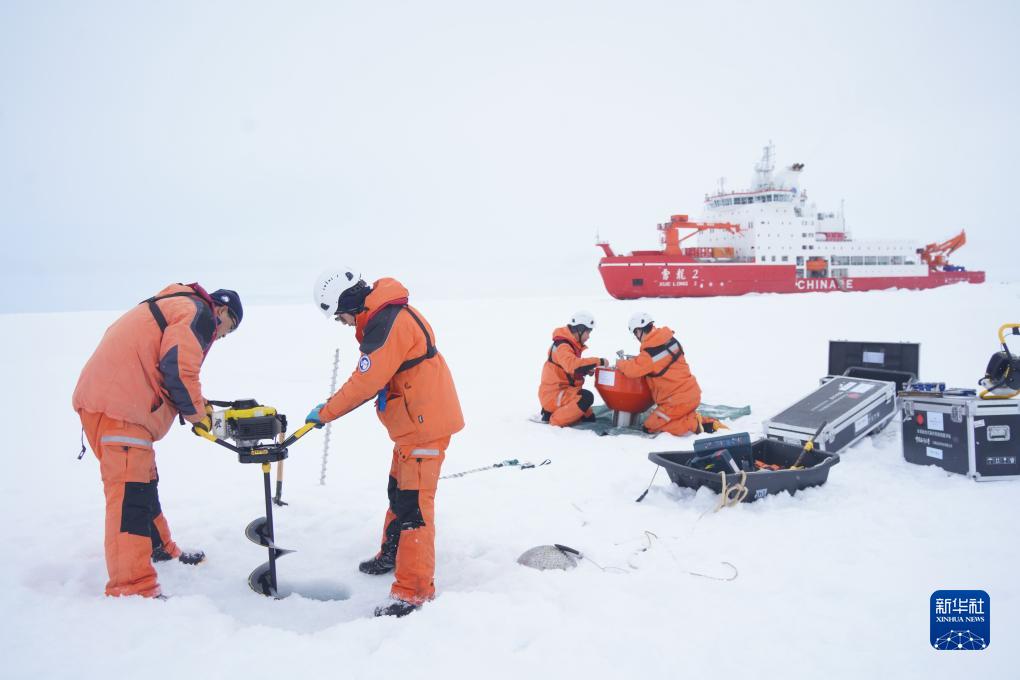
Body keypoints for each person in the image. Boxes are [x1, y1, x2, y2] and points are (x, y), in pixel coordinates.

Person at [307, 267, 464, 618]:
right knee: (398, 492)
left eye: (341, 316)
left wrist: (327, 413)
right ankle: (393, 554)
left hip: (424, 427)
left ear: (347, 301)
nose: (344, 323)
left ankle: (413, 592)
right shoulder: (384, 314)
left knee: (414, 507)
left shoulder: (387, 321)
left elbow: (365, 381)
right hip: (412, 426)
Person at [72, 283, 242, 598]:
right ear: (221, 311)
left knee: (144, 484)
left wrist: (204, 411)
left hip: (117, 406)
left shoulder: (180, 307)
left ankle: (159, 549)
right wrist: (202, 418)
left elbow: (171, 369)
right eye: (226, 329)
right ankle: (133, 587)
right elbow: (178, 370)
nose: (219, 336)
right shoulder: (198, 313)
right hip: (119, 409)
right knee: (130, 499)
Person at [615, 312, 725, 436]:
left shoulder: (650, 353)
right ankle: (693, 418)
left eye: (635, 334)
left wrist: (620, 363)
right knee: (669, 418)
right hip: (692, 393)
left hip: (675, 402)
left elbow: (632, 370)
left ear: (639, 330)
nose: (637, 338)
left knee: (650, 427)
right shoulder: (669, 340)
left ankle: (696, 424)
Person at [538, 311, 608, 427]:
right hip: (555, 394)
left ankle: (550, 411)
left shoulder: (569, 345)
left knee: (589, 417)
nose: (588, 336)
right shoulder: (563, 346)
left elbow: (570, 369)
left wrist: (585, 370)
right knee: (586, 398)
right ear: (579, 330)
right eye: (587, 332)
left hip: (564, 391)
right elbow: (572, 365)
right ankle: (555, 419)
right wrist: (598, 361)